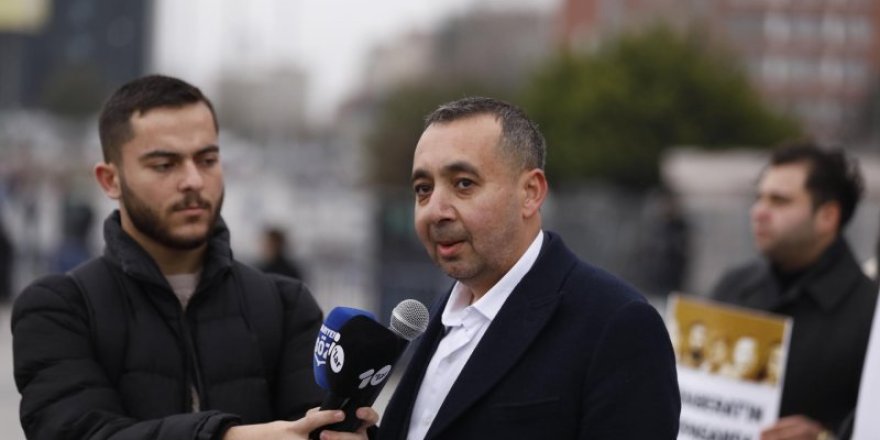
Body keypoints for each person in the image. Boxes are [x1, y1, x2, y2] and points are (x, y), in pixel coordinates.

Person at [11, 75, 376, 440]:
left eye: (207, 160)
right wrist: (228, 437)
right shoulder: (59, 309)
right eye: (164, 164)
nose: (193, 180)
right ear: (110, 180)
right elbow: (77, 431)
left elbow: (313, 427)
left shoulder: (286, 306)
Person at [378, 97, 680, 440]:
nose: (435, 211)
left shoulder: (617, 324)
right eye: (423, 189)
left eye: (463, 184)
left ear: (531, 193)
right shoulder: (440, 315)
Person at [710, 142, 878, 439]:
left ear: (827, 216)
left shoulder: (871, 313)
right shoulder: (733, 287)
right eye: (759, 198)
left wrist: (826, 437)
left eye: (779, 201)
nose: (759, 212)